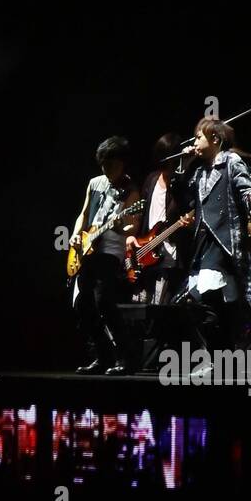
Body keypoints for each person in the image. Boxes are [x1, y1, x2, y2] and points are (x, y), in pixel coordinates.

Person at [173, 118, 251, 362]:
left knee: (209, 300)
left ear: (215, 139)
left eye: (199, 137)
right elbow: (183, 197)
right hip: (203, 243)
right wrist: (184, 163)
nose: (195, 142)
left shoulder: (231, 161)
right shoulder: (199, 171)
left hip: (224, 242)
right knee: (199, 302)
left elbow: (246, 186)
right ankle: (224, 355)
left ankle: (219, 357)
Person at [68, 136, 140, 374]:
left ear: (123, 163)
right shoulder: (95, 183)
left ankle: (126, 358)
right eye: (103, 164)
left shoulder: (131, 191)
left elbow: (134, 227)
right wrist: (77, 234)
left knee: (104, 302)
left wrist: (120, 227)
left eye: (111, 164)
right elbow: (84, 213)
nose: (107, 169)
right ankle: (103, 356)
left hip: (110, 251)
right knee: (82, 305)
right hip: (87, 248)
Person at [135, 133, 191, 304]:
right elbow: (142, 213)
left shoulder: (181, 184)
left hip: (168, 257)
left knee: (162, 307)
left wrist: (188, 162)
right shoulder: (151, 179)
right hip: (145, 251)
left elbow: (189, 211)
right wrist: (133, 237)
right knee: (140, 307)